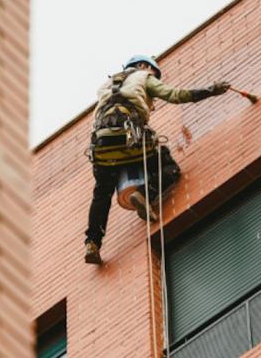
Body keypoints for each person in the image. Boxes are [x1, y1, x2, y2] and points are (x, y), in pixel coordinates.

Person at [85, 55, 230, 264]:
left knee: (102, 193)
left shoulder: (105, 86)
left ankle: (92, 242)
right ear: (144, 66)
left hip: (102, 146)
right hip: (132, 139)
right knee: (169, 168)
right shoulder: (144, 76)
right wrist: (210, 90)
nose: (155, 75)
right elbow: (174, 95)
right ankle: (145, 194)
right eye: (155, 71)